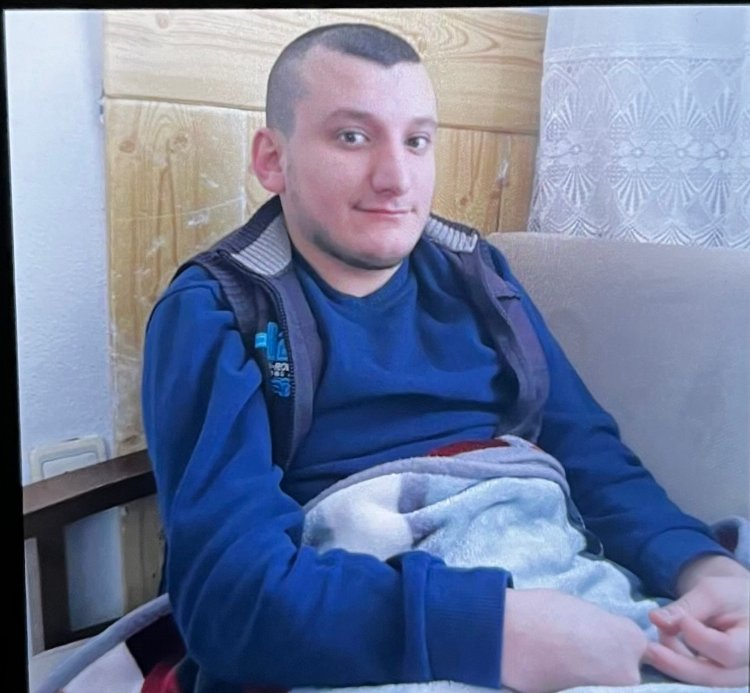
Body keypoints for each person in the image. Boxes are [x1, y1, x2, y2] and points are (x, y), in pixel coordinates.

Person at [141, 22, 749, 693]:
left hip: (556, 571)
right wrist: (495, 631)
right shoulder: (219, 310)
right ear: (272, 159)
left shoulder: (478, 273)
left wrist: (704, 568)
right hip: (381, 616)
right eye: (352, 136)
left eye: (417, 140)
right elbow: (228, 593)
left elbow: (590, 454)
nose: (396, 178)